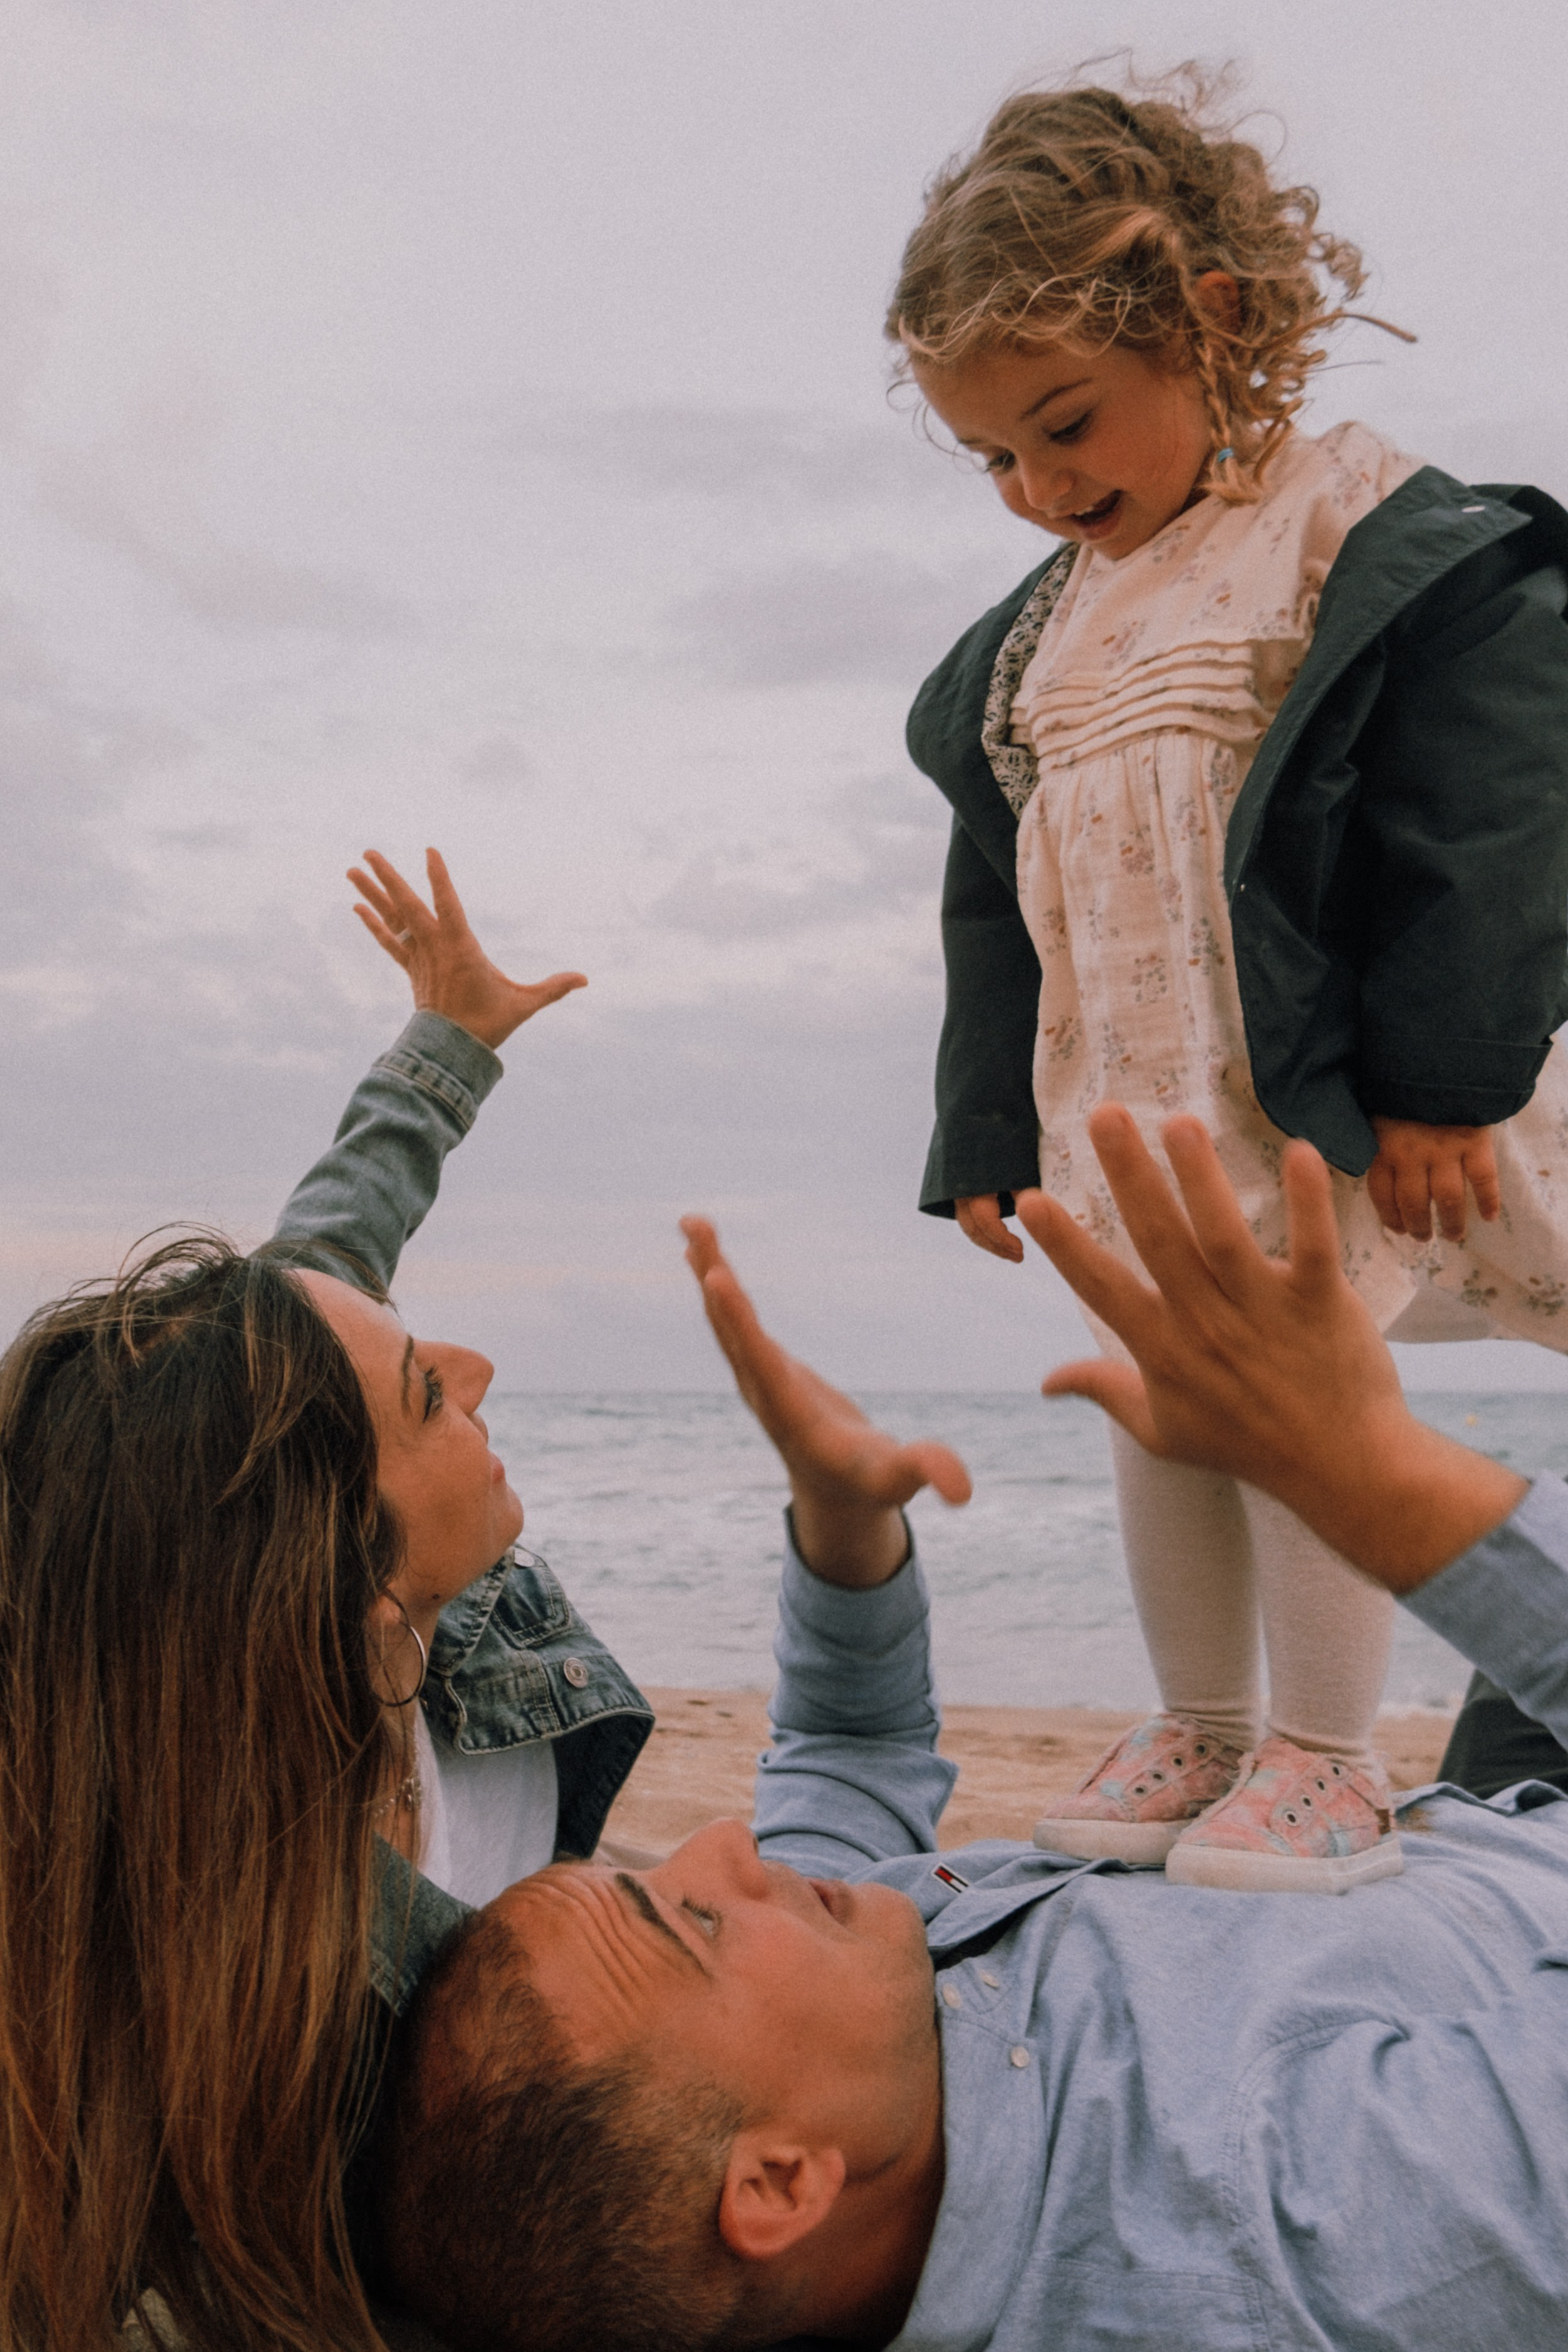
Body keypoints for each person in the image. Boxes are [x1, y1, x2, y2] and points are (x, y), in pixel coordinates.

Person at [382, 1112, 1568, 2352]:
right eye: (693, 1922)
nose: (725, 1845)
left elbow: (848, 1754)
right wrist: (1366, 1474)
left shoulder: (842, 2047)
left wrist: (842, 1526)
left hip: (1454, 1838)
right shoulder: (1299, 2226)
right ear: (781, 2186)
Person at [889, 75, 1568, 1887]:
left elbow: (1485, 811)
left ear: (1219, 319)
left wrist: (1442, 1074)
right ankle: (1199, 1721)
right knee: (1157, 1381)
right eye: (994, 460)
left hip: (1327, 1083)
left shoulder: (1352, 531)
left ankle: (1329, 1756)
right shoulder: (1038, 633)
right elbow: (992, 902)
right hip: (1139, 1105)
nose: (1039, 489)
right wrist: (981, 1135)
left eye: (1064, 426)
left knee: (1304, 1381)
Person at [0, 849, 656, 2352]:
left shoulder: (258, 1507)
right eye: (431, 1395)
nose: (479, 1373)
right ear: (347, 1592)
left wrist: (449, 1044)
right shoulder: (301, 1995)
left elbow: (327, 1256)